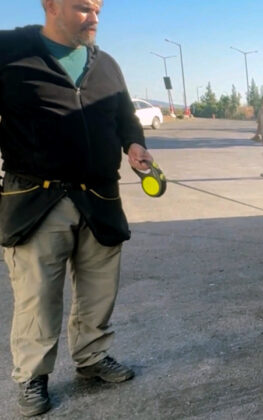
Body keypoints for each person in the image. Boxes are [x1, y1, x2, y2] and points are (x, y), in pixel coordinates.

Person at [0, 0, 153, 416]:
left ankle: (91, 357)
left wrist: (134, 144)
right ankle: (32, 376)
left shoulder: (106, 64)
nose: (95, 19)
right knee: (36, 296)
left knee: (99, 289)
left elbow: (126, 118)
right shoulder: (10, 50)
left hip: (99, 197)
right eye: (84, 8)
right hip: (35, 199)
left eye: (99, 10)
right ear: (50, 5)